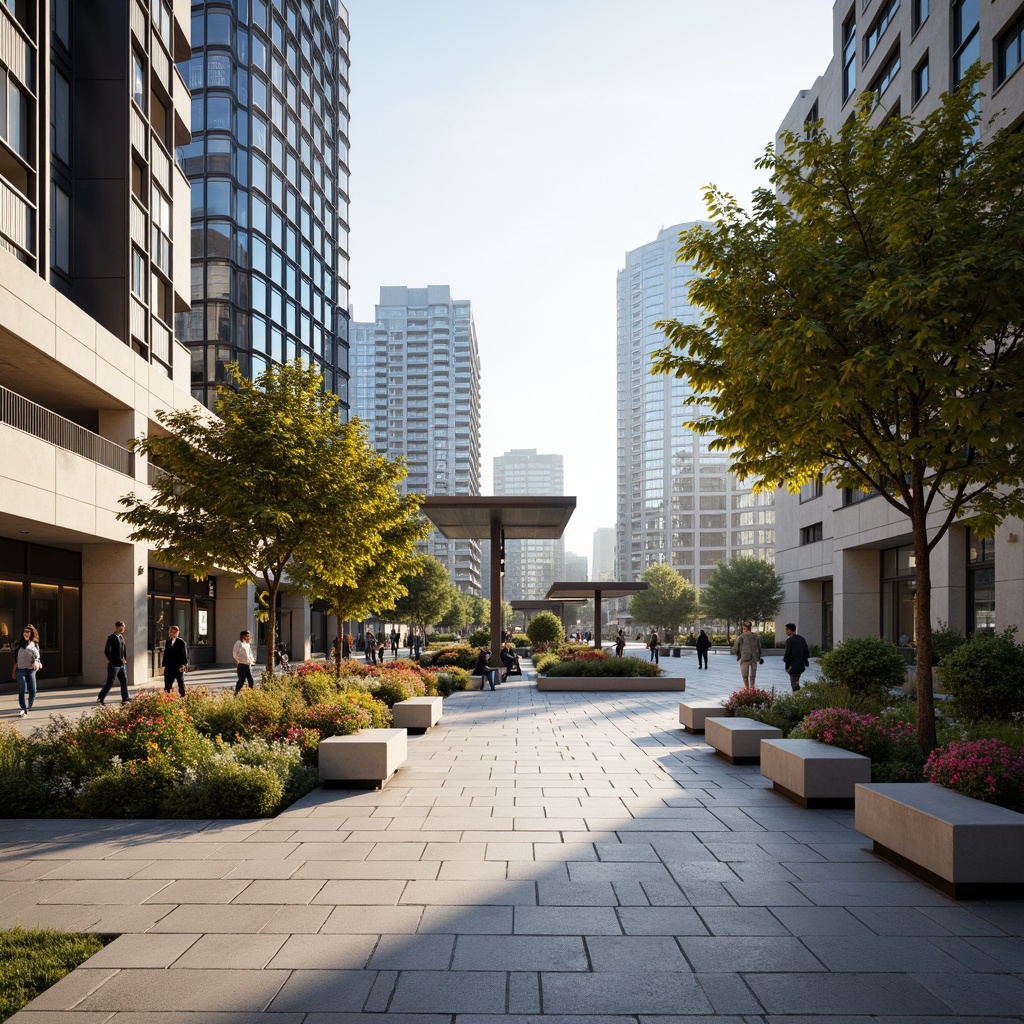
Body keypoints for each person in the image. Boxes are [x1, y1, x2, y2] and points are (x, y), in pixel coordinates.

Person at [98, 620, 130, 705]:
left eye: (124, 627)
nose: (123, 629)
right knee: (110, 682)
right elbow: (106, 651)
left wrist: (125, 659)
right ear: (117, 627)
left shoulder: (121, 638)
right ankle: (100, 697)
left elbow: (124, 650)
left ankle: (125, 698)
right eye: (122, 627)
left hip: (122, 665)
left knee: (124, 680)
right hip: (114, 665)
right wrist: (112, 660)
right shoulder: (111, 637)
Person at [14, 624, 41, 718]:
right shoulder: (18, 644)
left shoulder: (35, 644)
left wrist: (36, 661)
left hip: (30, 670)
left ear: (31, 633)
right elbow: (16, 658)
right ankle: (23, 708)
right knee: (22, 686)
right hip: (20, 670)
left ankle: (29, 706)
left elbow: (37, 656)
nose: (25, 633)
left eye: (28, 632)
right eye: (24, 632)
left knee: (33, 690)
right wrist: (14, 669)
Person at [734, 620, 762, 689]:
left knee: (745, 675)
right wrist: (759, 657)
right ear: (750, 627)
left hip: (744, 658)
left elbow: (736, 648)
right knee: (753, 675)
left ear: (744, 628)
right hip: (754, 658)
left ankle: (746, 688)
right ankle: (752, 688)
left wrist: (739, 656)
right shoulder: (756, 637)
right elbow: (759, 648)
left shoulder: (741, 637)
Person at [783, 622, 811, 692]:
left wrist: (787, 666)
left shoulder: (789, 640)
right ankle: (798, 696)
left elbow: (787, 654)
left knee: (794, 683)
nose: (786, 631)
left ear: (789, 630)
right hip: (801, 665)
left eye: (786, 629)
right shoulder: (801, 639)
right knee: (796, 681)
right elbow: (806, 652)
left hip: (792, 665)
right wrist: (805, 662)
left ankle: (797, 697)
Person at [162, 625, 189, 697]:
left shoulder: (181, 642)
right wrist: (164, 665)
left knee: (180, 681)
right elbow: (166, 654)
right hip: (169, 666)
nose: (171, 633)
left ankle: (182, 695)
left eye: (173, 632)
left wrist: (183, 664)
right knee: (167, 682)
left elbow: (184, 654)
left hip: (178, 665)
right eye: (170, 632)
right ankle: (167, 696)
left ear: (177, 633)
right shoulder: (168, 642)